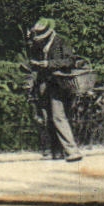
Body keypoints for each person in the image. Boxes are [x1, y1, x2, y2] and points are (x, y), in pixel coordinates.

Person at [23, 17, 86, 162]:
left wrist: (49, 64)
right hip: (44, 83)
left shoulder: (61, 41)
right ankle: (56, 151)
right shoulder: (38, 43)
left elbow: (70, 61)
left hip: (58, 83)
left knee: (58, 116)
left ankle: (72, 150)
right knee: (47, 118)